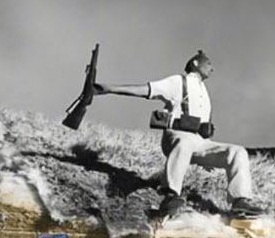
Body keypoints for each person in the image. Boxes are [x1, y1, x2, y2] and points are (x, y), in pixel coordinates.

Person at [94, 49, 263, 219]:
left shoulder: (204, 92)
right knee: (185, 143)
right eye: (209, 64)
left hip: (199, 142)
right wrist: (108, 88)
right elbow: (146, 90)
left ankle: (240, 201)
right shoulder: (178, 82)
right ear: (195, 63)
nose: (212, 68)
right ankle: (170, 194)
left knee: (237, 151)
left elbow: (204, 127)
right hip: (176, 137)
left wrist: (208, 152)